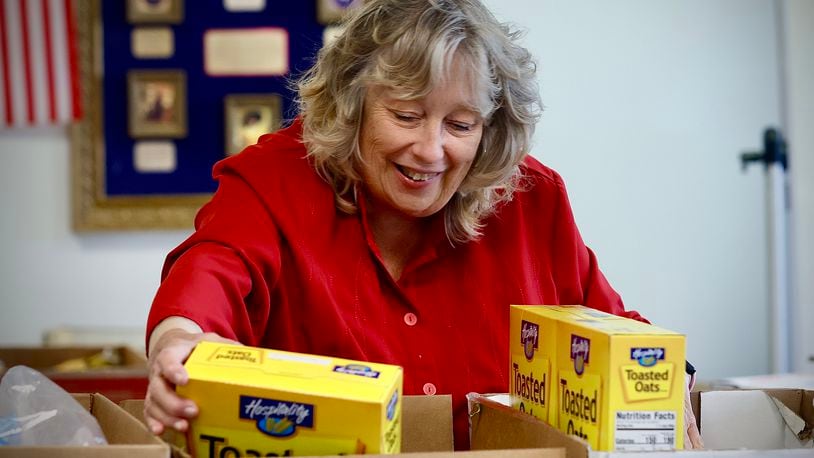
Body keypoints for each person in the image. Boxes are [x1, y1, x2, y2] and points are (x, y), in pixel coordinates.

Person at [144, 0, 703, 450]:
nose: (430, 150)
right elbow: (209, 273)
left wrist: (664, 385)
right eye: (406, 115)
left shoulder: (534, 198)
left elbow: (612, 328)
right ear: (352, 104)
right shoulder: (275, 177)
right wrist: (178, 344)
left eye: (460, 124)